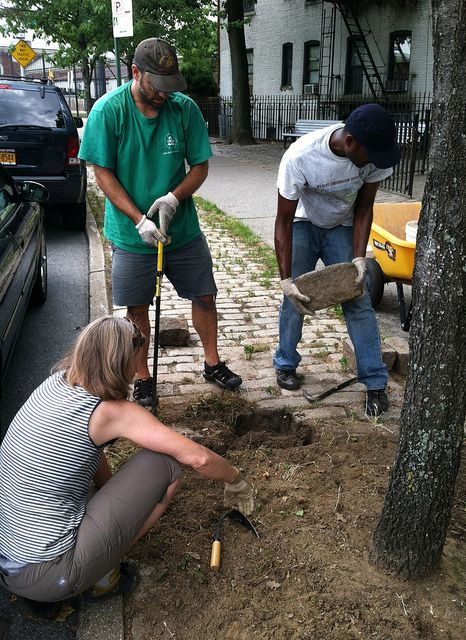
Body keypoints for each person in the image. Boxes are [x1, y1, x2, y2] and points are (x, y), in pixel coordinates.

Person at [0, 316, 254, 611]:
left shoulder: (57, 382)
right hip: (48, 574)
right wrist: (237, 480)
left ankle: (95, 556)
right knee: (165, 464)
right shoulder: (111, 412)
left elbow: (88, 454)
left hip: (12, 555)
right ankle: (106, 574)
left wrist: (114, 496)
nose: (137, 370)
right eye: (136, 360)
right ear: (119, 362)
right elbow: (196, 457)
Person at [79, 37, 242, 408]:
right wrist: (138, 220)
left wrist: (174, 198)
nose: (165, 94)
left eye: (171, 85)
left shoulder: (183, 110)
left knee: (204, 295)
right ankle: (143, 378)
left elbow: (199, 167)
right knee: (137, 309)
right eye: (158, 85)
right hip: (132, 234)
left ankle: (212, 363)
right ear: (135, 73)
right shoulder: (108, 112)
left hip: (181, 231)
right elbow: (101, 173)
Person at [273, 103, 401, 416]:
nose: (374, 162)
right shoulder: (301, 157)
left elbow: (365, 207)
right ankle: (286, 364)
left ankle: (374, 382)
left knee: (357, 299)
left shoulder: (372, 158)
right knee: (297, 297)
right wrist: (286, 278)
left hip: (343, 225)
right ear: (350, 142)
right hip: (303, 223)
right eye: (369, 154)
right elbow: (283, 222)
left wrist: (359, 258)